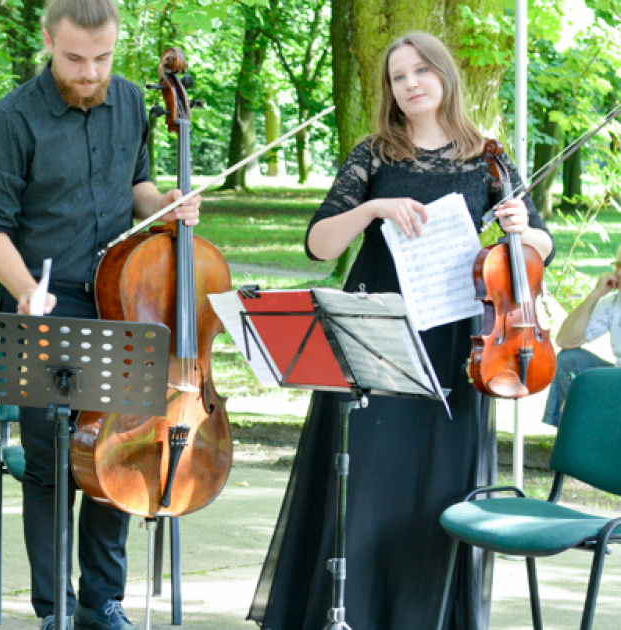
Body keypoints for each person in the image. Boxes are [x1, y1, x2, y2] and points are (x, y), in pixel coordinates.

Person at [248, 31, 555, 630]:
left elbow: (543, 247)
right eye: (397, 76)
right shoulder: (374, 153)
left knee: (433, 492)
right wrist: (372, 210)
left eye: (421, 71)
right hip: (376, 335)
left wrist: (521, 227)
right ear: (388, 89)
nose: (410, 83)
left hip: (455, 346)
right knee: (360, 484)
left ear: (444, 76)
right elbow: (318, 244)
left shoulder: (485, 154)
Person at [0, 0, 201, 627]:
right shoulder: (9, 121)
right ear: (47, 41)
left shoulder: (129, 102)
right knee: (49, 465)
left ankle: (103, 600)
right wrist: (25, 290)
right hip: (41, 300)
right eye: (75, 58)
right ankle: (55, 608)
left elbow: (137, 190)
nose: (91, 72)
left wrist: (169, 202)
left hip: (121, 299)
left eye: (103, 57)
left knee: (118, 455)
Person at [541, 244, 621, 426]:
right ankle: (570, 437)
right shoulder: (613, 303)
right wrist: (596, 294)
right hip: (617, 378)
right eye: (617, 266)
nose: (617, 274)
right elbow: (565, 340)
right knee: (568, 360)